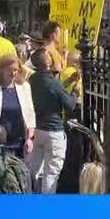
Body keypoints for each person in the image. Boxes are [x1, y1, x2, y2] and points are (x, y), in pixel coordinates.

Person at [27, 49, 76, 195]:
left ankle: (26, 194)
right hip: (54, 131)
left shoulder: (33, 79)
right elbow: (69, 105)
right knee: (51, 173)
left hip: (38, 129)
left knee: (33, 168)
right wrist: (76, 93)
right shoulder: (53, 82)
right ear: (48, 61)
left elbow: (55, 90)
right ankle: (47, 205)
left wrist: (68, 81)